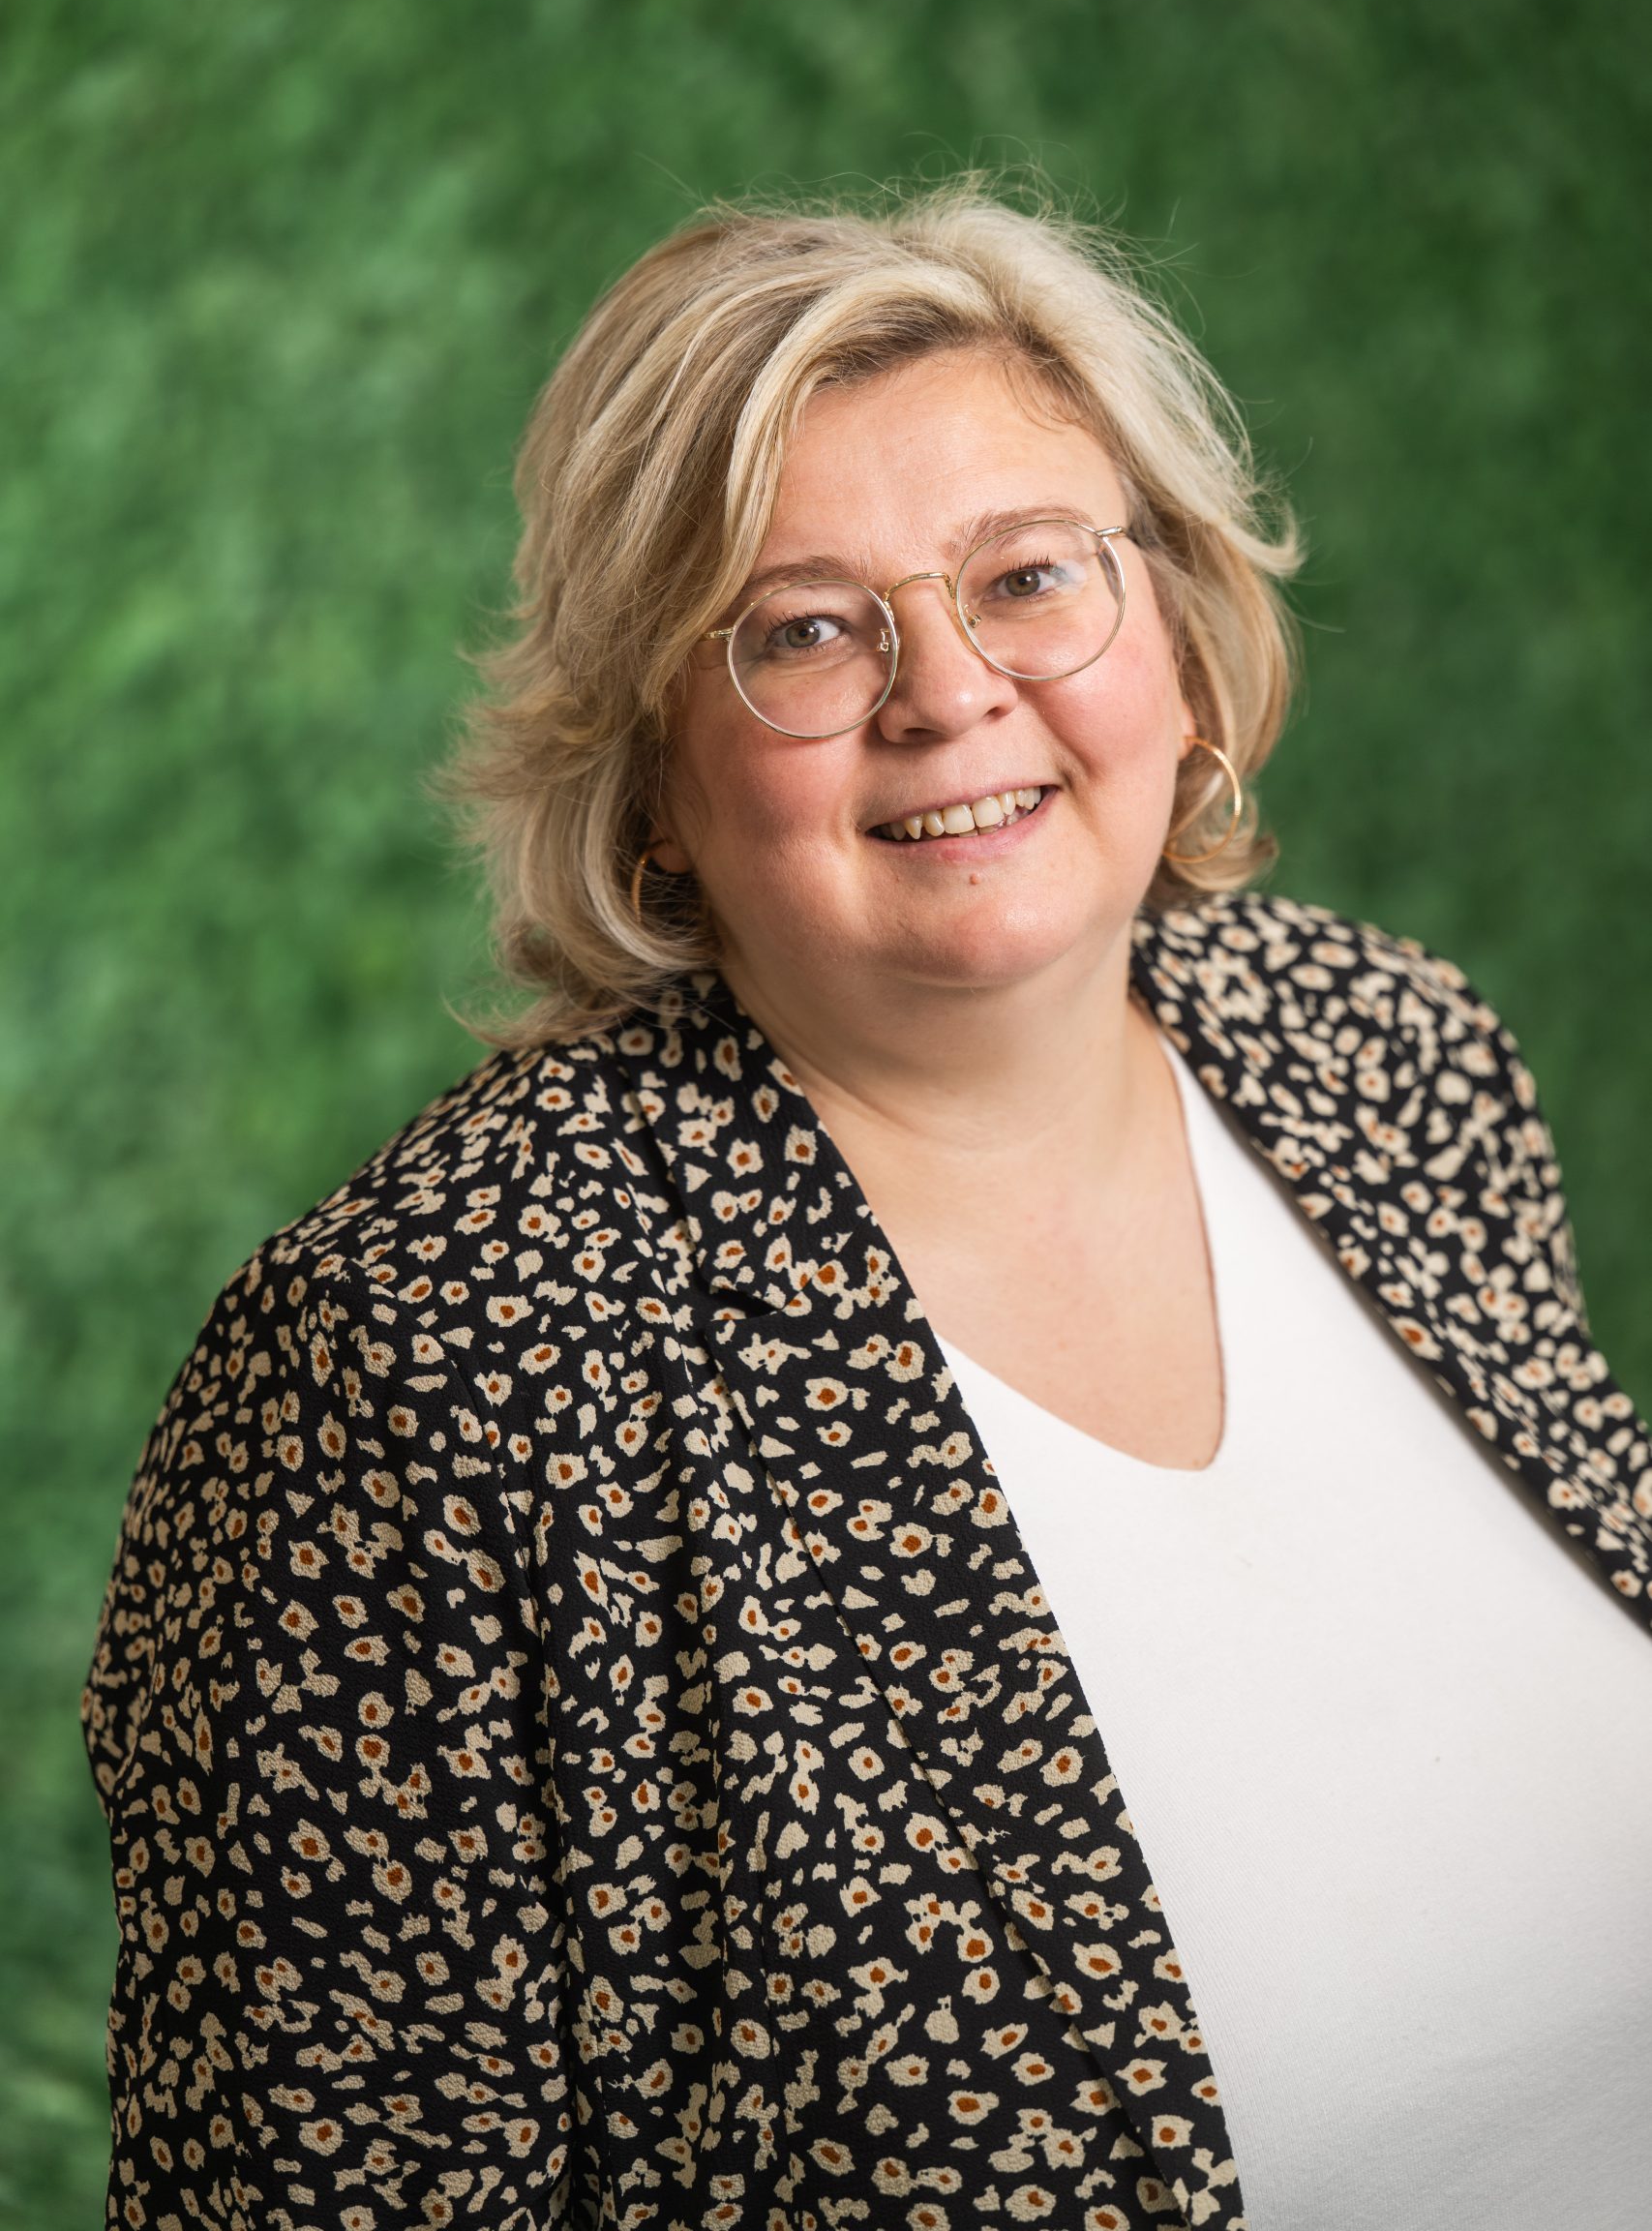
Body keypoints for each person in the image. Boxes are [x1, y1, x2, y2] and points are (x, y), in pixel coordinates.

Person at [83, 181, 1652, 2231]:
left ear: (1178, 637)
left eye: (1028, 575)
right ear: (650, 778)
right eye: (805, 629)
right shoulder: (411, 1368)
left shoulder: (1382, 1052)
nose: (946, 690)